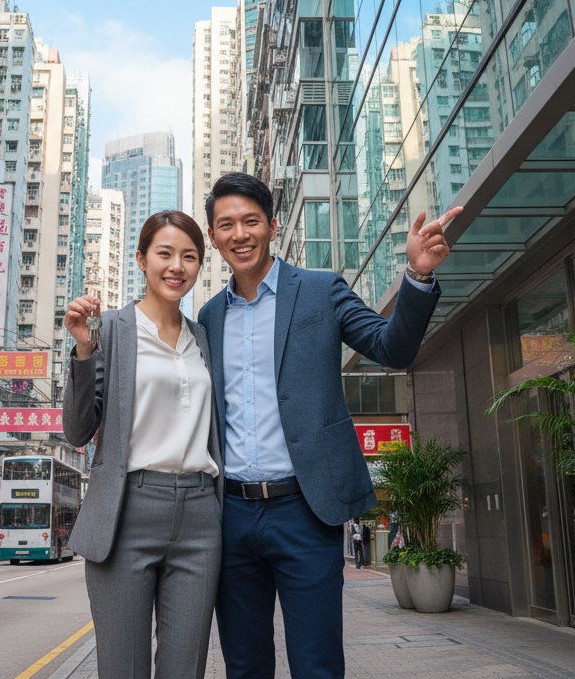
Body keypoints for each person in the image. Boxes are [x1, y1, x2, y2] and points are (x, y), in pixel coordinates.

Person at [198, 172, 460, 679]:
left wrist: (418, 276)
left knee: (317, 664)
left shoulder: (320, 290)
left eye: (251, 221)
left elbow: (392, 347)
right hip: (229, 514)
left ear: (272, 226)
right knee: (244, 665)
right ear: (213, 237)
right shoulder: (208, 317)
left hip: (306, 509)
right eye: (226, 225)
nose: (240, 234)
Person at [63, 210, 222, 679]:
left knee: (185, 668)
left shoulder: (204, 339)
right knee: (123, 669)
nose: (177, 266)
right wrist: (82, 350)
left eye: (189, 256)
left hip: (200, 518)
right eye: (165, 254)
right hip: (126, 513)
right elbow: (75, 431)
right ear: (141, 259)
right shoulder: (109, 330)